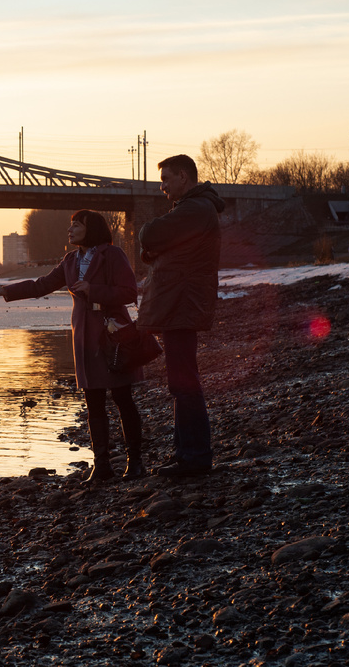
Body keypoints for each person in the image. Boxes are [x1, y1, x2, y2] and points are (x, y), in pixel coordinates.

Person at [0, 210, 146, 482]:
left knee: (122, 399)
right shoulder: (70, 260)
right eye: (70, 225)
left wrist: (95, 290)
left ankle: (135, 463)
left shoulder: (112, 255)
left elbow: (129, 292)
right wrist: (6, 290)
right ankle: (101, 466)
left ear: (90, 229)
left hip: (112, 334)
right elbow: (41, 285)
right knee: (93, 403)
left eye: (76, 225)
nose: (70, 230)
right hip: (84, 337)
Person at [137, 154, 225, 478]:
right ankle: (185, 453)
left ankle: (195, 457)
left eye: (166, 180)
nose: (162, 187)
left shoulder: (194, 209)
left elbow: (149, 236)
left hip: (183, 304)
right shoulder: (192, 209)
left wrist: (150, 237)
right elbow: (155, 249)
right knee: (181, 382)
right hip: (180, 303)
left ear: (184, 178)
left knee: (185, 383)